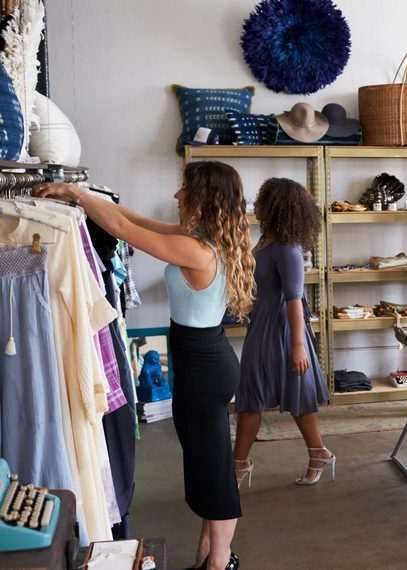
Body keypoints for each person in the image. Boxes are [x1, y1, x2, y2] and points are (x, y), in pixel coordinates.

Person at [36, 161, 255, 570]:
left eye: (184, 189)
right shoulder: (201, 239)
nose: (177, 195)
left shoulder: (197, 250)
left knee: (213, 470)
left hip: (204, 369)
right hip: (201, 362)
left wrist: (76, 194)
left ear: (204, 196)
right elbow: (134, 219)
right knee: (208, 465)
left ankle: (220, 561)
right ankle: (209, 556)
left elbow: (122, 229)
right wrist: (87, 199)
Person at [233, 178, 332, 487]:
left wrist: (299, 346)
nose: (257, 204)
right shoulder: (267, 241)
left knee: (295, 393)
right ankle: (241, 463)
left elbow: (294, 298)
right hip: (262, 326)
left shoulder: (287, 248)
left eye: (262, 199)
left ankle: (240, 464)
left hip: (285, 331)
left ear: (276, 206)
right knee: (252, 393)